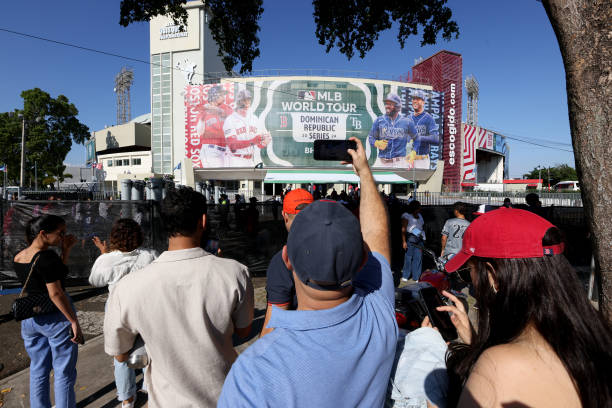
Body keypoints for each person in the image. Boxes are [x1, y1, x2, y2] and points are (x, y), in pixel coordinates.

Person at [218, 137, 398, 407]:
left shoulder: (254, 372)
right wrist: (363, 170)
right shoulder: (380, 316)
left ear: (287, 259)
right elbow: (376, 233)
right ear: (363, 260)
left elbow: (375, 236)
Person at [440, 208, 612, 407]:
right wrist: (474, 340)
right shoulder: (593, 340)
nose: (472, 283)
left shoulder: (499, 368)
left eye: (467, 272)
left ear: (492, 275)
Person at [104, 187, 254, 407]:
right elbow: (243, 330)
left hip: (166, 401)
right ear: (203, 221)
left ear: (165, 225)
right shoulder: (235, 273)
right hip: (224, 395)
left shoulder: (128, 287)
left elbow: (119, 354)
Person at [13, 215, 83, 408]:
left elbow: (55, 275)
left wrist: (65, 250)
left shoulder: (19, 256)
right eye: (60, 233)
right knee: (63, 371)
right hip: (55, 316)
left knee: (38, 368)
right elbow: (56, 292)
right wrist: (73, 321)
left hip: (30, 317)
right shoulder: (47, 257)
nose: (63, 236)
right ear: (43, 234)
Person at [89, 219, 158, 408]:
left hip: (117, 309)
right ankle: (150, 389)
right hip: (144, 307)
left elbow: (94, 280)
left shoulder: (106, 260)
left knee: (120, 354)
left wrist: (104, 254)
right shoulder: (150, 256)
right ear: (139, 236)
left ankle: (127, 398)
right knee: (149, 349)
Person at [260, 188, 313, 337]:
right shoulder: (339, 248)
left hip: (298, 341)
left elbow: (274, 322)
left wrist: (257, 357)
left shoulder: (282, 260)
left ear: (284, 216)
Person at [223, 89, 271, 167]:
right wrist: (253, 141)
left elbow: (258, 144)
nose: (246, 103)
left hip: (249, 160)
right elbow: (232, 146)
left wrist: (264, 142)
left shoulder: (254, 119)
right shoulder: (230, 120)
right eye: (244, 100)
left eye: (248, 100)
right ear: (238, 102)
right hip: (234, 160)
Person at [368, 92, 417, 167]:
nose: (387, 106)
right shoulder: (379, 121)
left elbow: (417, 139)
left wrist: (413, 152)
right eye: (386, 104)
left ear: (398, 106)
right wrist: (376, 143)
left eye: (390, 104)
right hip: (382, 162)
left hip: (400, 163)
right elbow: (371, 138)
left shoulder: (407, 122)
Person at [197, 85, 233, 168]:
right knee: (217, 177)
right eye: (221, 94)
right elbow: (199, 132)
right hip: (211, 149)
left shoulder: (226, 108)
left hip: (226, 151)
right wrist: (202, 117)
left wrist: (217, 110)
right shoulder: (204, 110)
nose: (224, 97)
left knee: (228, 177)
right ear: (214, 96)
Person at [409, 90, 440, 169]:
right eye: (413, 98)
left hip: (422, 160)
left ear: (423, 102)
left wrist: (420, 138)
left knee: (421, 181)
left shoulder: (428, 118)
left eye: (418, 99)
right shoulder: (408, 118)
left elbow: (436, 139)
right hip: (409, 158)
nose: (415, 101)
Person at [401, 200, 426, 282]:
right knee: (408, 257)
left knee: (418, 258)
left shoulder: (420, 215)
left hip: (420, 238)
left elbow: (422, 227)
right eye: (419, 207)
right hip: (410, 237)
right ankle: (406, 275)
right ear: (414, 208)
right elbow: (403, 229)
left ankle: (416, 276)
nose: (420, 209)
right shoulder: (406, 215)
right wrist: (404, 241)